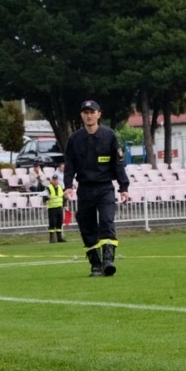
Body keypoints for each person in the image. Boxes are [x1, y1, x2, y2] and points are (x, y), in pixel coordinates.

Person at [62, 99, 131, 276]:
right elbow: (69, 164)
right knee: (86, 225)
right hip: (85, 189)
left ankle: (109, 261)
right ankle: (95, 263)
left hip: (105, 188)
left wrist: (124, 187)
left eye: (92, 112)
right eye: (86, 112)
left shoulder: (109, 136)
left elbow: (118, 164)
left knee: (107, 222)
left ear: (99, 114)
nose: (89, 115)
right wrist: (68, 185)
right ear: (81, 116)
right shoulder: (75, 139)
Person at [42, 172, 66, 243]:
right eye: (54, 180)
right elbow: (44, 198)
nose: (55, 181)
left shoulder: (60, 187)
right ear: (52, 180)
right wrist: (47, 198)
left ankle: (59, 238)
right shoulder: (48, 188)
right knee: (52, 223)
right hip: (52, 208)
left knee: (59, 223)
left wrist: (65, 205)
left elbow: (63, 197)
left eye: (56, 180)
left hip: (59, 207)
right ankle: (52, 238)